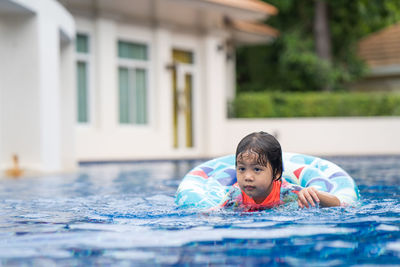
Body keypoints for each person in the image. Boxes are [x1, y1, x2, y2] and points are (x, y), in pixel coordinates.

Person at [222, 131, 340, 211]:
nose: (247, 176)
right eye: (242, 169)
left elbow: (337, 204)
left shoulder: (288, 193)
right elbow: (217, 212)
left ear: (276, 173)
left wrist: (313, 194)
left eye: (257, 169)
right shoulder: (235, 194)